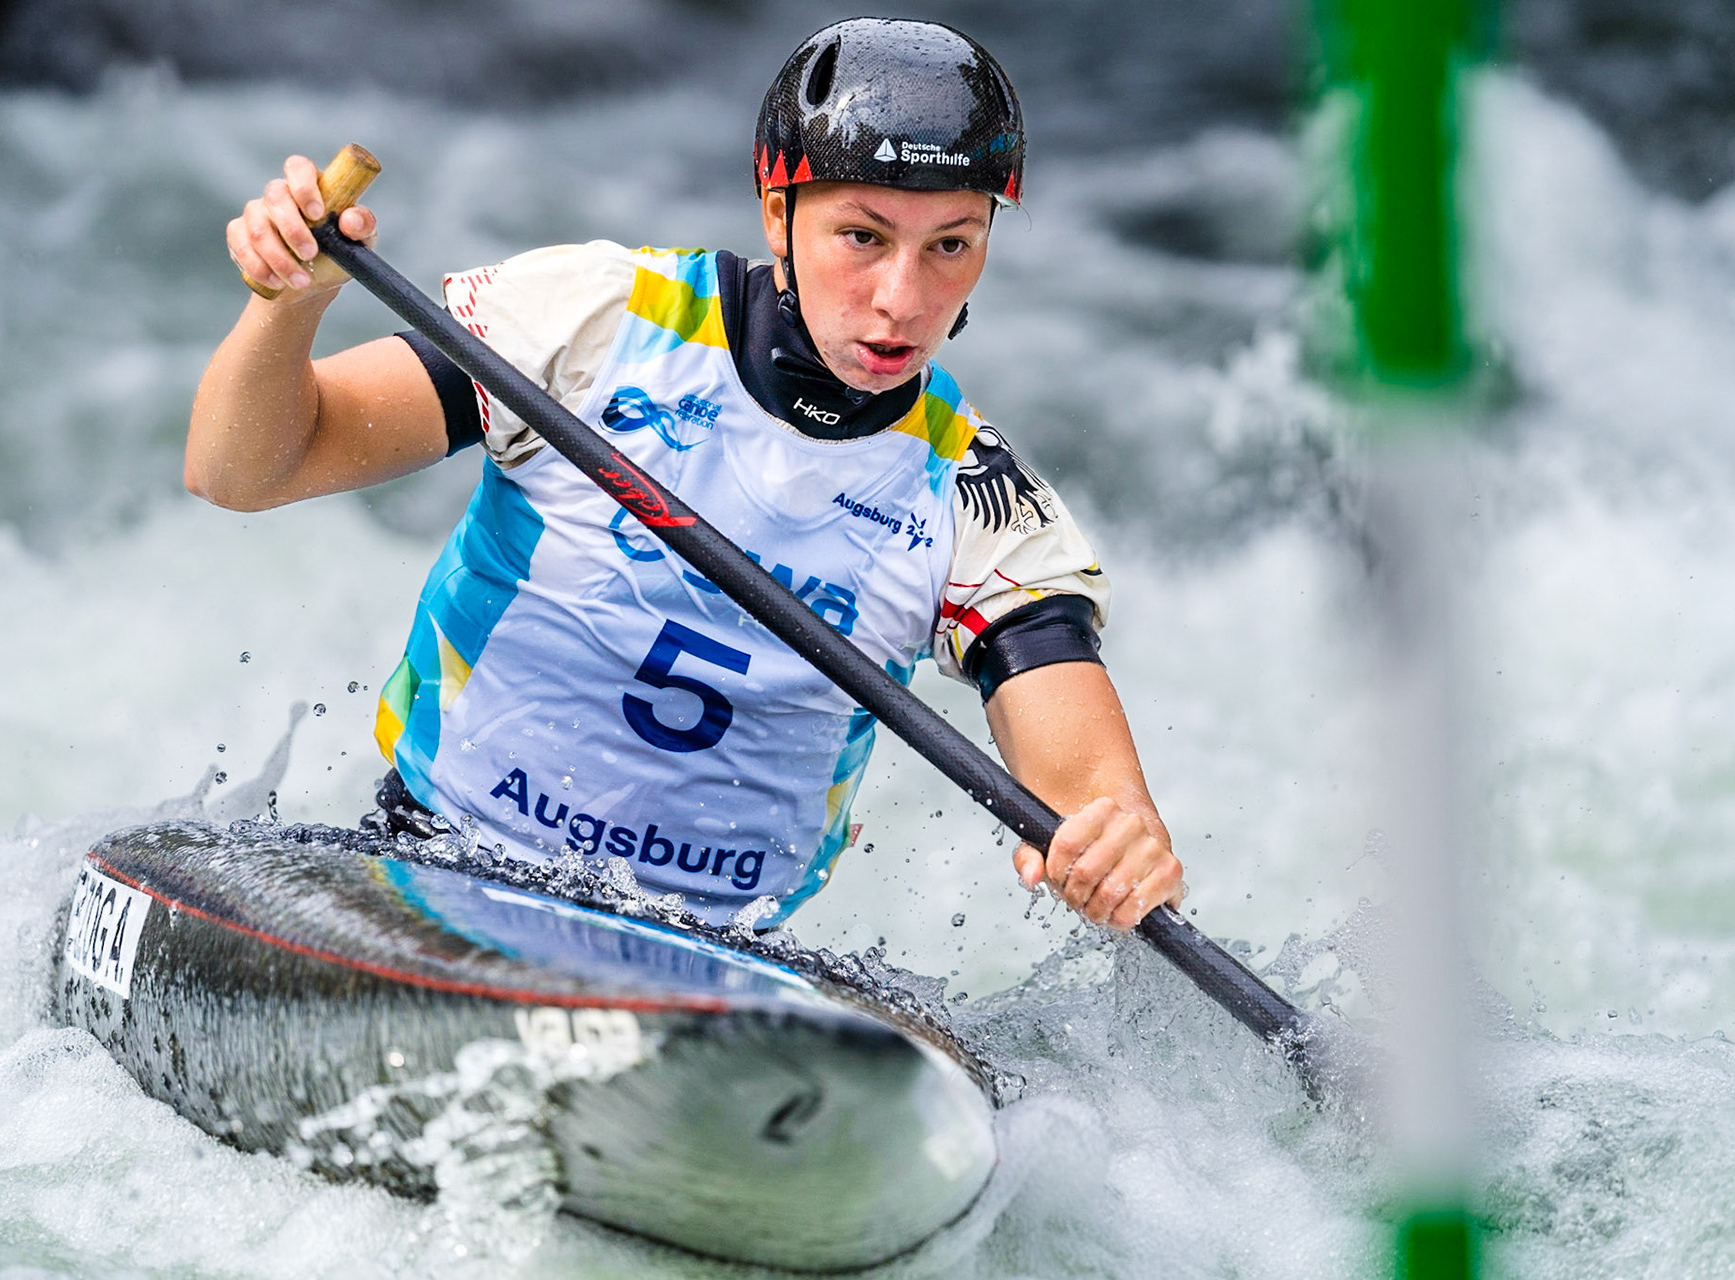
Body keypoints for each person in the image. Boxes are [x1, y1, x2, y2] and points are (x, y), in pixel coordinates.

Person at [187, 18, 1183, 932]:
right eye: (863, 238)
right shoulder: (599, 325)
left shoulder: (978, 501)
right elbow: (241, 468)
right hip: (434, 876)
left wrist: (1117, 839)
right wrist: (285, 309)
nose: (902, 298)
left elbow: (1088, 790)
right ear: (777, 211)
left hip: (716, 963)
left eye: (951, 247)